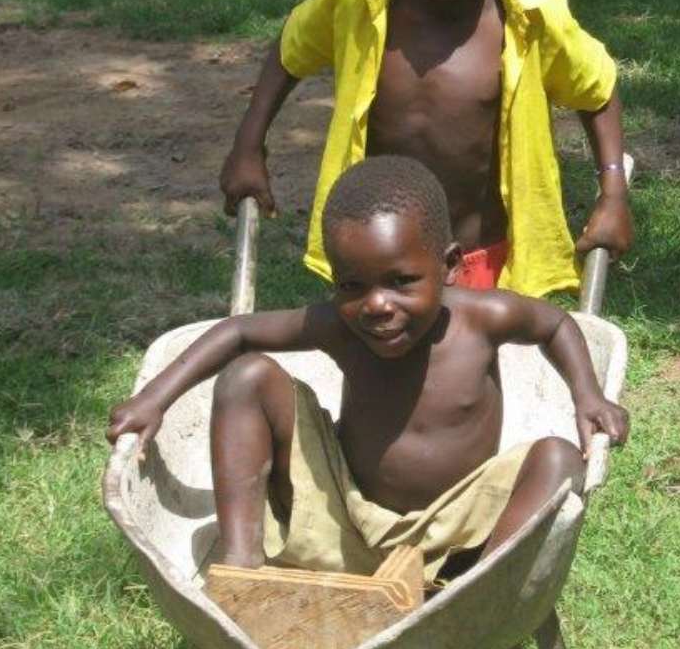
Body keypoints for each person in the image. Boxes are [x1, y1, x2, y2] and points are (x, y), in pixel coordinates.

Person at [107, 158, 628, 580]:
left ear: (449, 266)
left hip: (462, 529)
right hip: (349, 520)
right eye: (352, 286)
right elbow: (238, 332)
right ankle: (242, 569)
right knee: (247, 377)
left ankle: (484, 590)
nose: (376, 305)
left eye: (401, 281)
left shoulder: (482, 319)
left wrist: (588, 395)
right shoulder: (341, 326)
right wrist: (153, 399)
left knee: (559, 458)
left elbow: (555, 324)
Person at [218, 0, 632, 298]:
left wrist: (613, 191)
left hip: (484, 262)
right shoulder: (355, 0)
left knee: (481, 350)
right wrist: (248, 146)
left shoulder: (532, 17)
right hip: (379, 266)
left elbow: (597, 88)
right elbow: (290, 51)